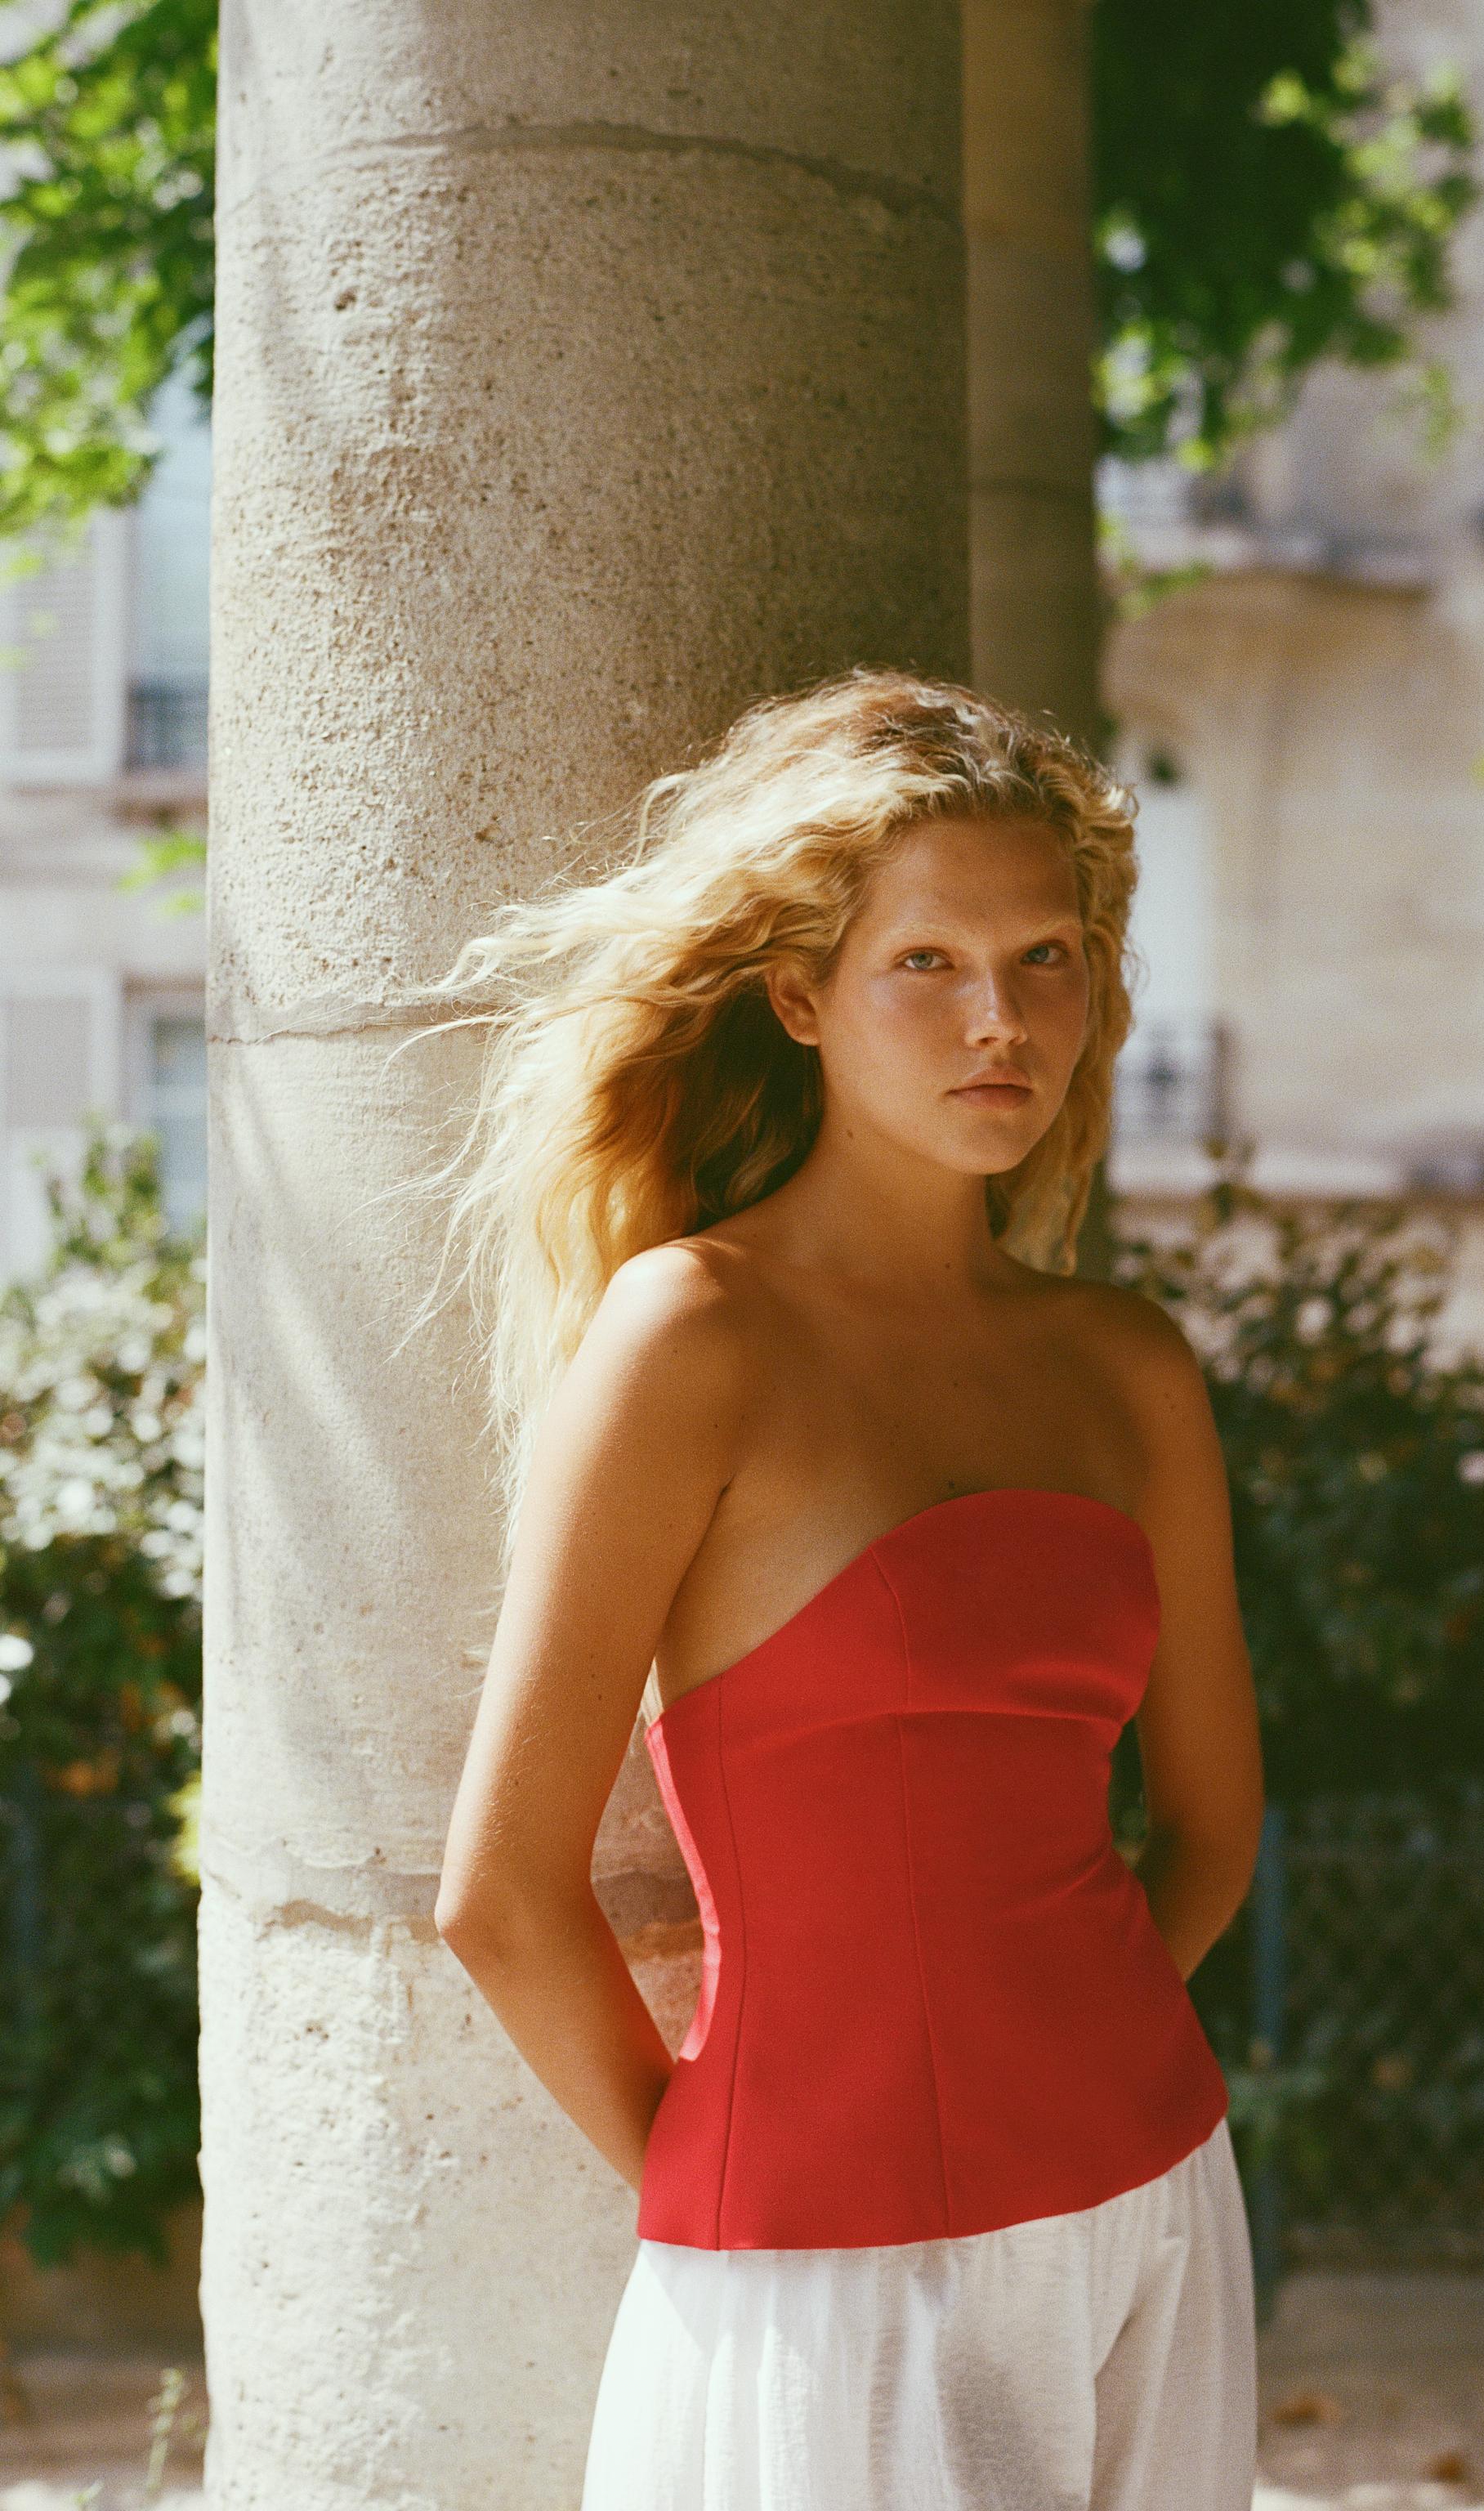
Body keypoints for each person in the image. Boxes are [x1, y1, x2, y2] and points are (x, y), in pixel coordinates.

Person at [422, 669, 1265, 2509]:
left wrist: (1071, 2049)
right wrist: (726, 2188)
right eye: (927, 965)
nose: (1001, 1022)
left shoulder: (1124, 1367)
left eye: (1045, 959)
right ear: (799, 994)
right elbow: (497, 1890)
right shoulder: (692, 1336)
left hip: (1152, 2200)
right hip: (813, 2266)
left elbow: (1209, 1821)